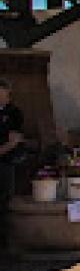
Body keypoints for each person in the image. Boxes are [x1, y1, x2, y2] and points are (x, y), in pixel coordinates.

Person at [0, 80, 24, 250]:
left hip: (6, 160)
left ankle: (7, 241)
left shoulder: (13, 112)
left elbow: (14, 140)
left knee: (5, 201)